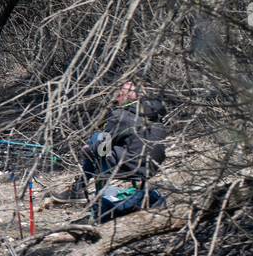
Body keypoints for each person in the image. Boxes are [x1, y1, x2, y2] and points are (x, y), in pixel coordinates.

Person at [48, 81, 168, 217]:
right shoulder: (157, 117)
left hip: (128, 167)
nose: (116, 99)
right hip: (150, 168)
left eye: (119, 95)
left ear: (129, 97)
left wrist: (90, 148)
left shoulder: (120, 115)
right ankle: (80, 188)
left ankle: (80, 189)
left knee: (96, 139)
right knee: (101, 144)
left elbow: (104, 144)